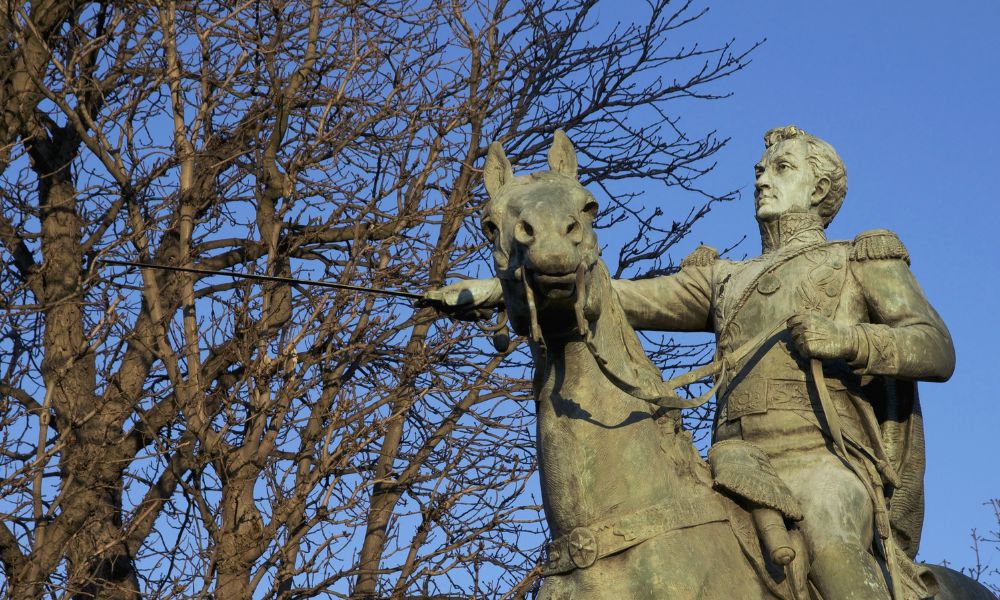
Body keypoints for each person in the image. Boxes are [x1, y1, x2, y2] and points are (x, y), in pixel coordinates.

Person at [426, 126, 955, 599]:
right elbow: (608, 293)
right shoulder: (724, 279)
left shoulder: (856, 260)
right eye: (759, 170)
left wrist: (848, 340)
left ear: (818, 190)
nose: (762, 180)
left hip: (821, 463)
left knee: (832, 548)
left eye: (781, 168)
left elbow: (934, 347)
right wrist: (498, 287)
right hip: (734, 461)